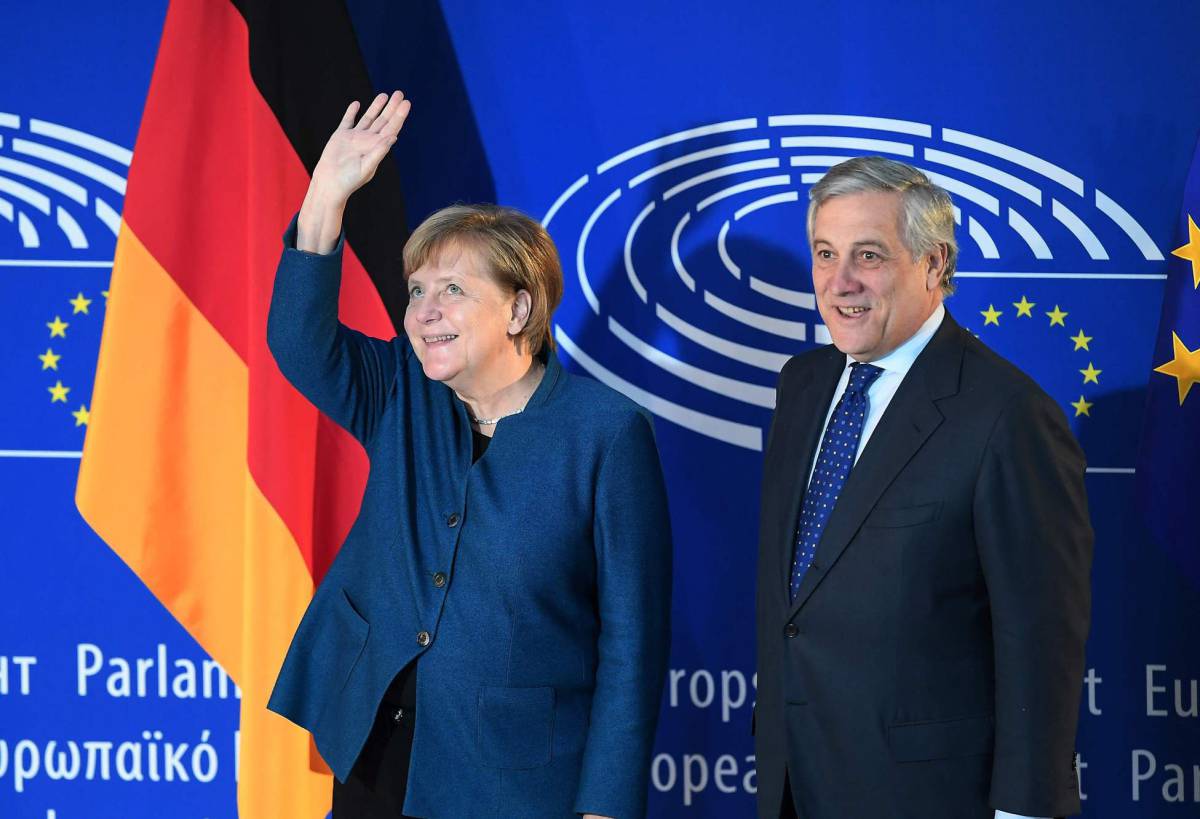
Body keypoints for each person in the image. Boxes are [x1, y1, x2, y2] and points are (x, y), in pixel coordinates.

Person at [265, 91, 672, 819]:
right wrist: (325, 197)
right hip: (379, 756)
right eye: (417, 290)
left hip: (514, 779)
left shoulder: (606, 434)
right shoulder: (400, 392)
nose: (423, 311)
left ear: (519, 309)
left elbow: (632, 645)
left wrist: (606, 806)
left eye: (452, 290)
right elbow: (299, 344)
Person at [755, 156, 1093, 819]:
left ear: (934, 265)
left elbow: (1041, 644)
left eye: (869, 256)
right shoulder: (801, 384)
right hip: (796, 785)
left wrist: (1026, 811)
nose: (840, 282)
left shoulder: (1008, 415)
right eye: (825, 254)